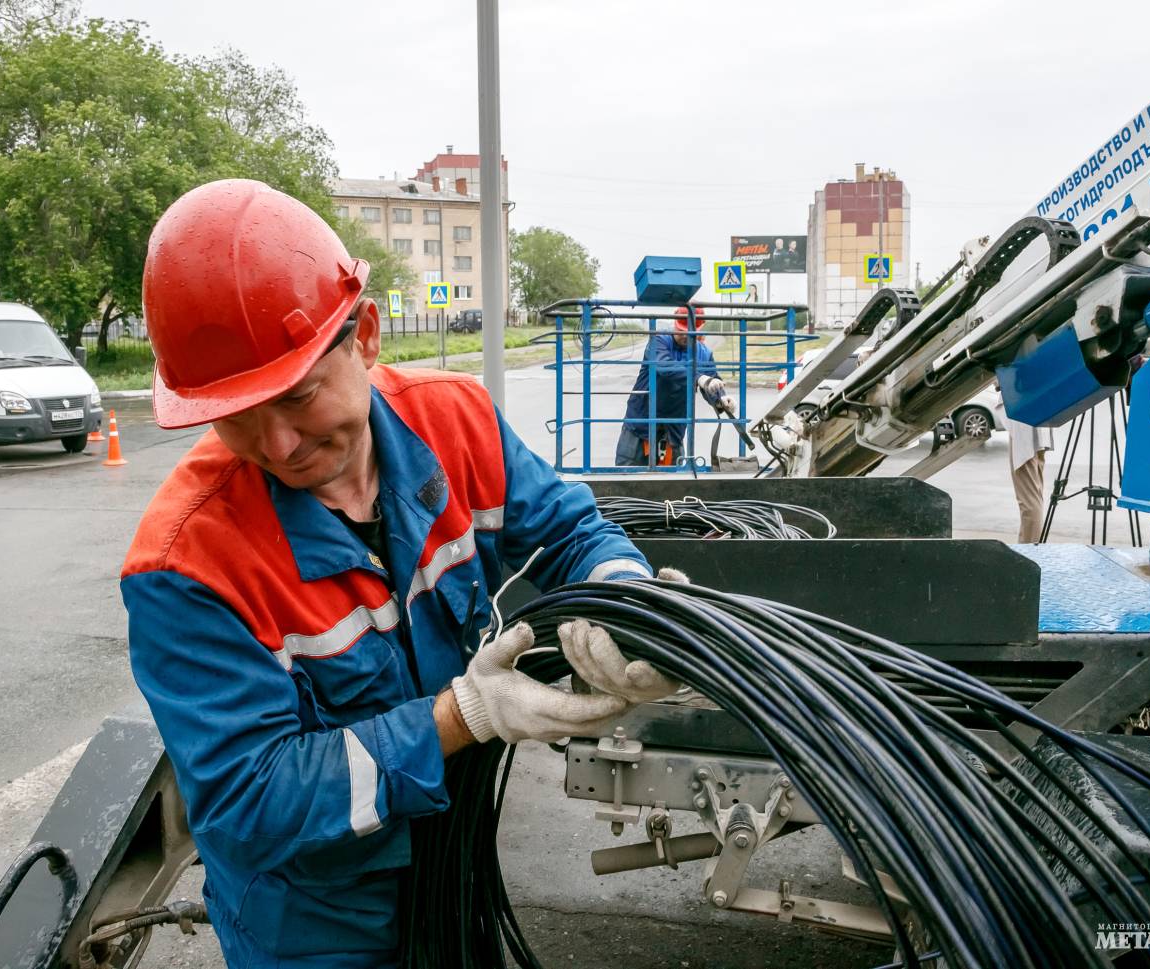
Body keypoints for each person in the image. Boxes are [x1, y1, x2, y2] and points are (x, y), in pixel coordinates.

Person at [120, 179, 676, 969]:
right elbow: (250, 801)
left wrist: (629, 600)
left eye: (299, 395)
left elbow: (568, 532)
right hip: (314, 926)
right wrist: (463, 715)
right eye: (238, 413)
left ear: (367, 336)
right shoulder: (185, 566)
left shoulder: (456, 423)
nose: (278, 444)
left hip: (453, 874)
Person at [615, 306, 725, 467]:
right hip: (640, 426)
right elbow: (665, 367)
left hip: (673, 431)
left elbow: (712, 380)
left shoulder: (704, 353)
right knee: (626, 481)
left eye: (689, 333)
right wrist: (699, 378)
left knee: (673, 486)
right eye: (681, 330)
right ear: (675, 323)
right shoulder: (658, 341)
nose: (684, 336)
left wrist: (721, 399)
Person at [997, 389, 1054, 542]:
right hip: (1037, 422)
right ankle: (1029, 544)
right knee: (1035, 496)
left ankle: (1029, 548)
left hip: (1024, 425)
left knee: (1029, 501)